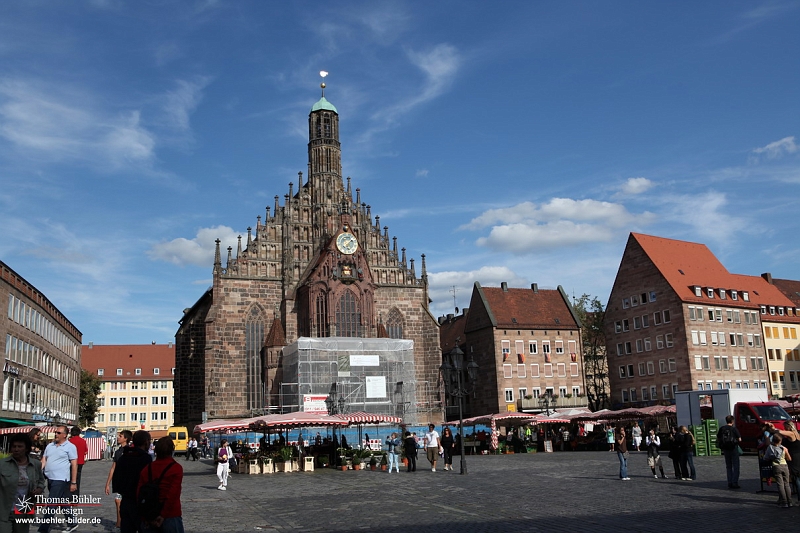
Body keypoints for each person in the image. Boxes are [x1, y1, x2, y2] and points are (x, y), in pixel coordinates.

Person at [0, 433, 45, 533]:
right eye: (14, 446)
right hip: (4, 510)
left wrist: (39, 489)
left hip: (23, 510)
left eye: (20, 446)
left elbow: (41, 481)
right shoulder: (2, 464)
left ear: (26, 448)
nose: (16, 449)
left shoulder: (35, 464)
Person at [138, 436, 184, 533]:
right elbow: (173, 494)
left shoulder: (147, 469)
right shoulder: (176, 468)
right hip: (170, 514)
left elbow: (139, 492)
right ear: (172, 450)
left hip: (149, 514)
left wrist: (144, 516)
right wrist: (163, 515)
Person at [38, 424, 79, 533]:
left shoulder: (70, 447)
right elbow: (44, 460)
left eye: (58, 433)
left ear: (65, 435)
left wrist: (73, 482)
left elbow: (74, 464)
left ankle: (43, 529)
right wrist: (38, 471)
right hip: (49, 478)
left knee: (51, 503)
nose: (56, 434)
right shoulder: (50, 446)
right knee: (62, 501)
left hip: (60, 479)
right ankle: (72, 522)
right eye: (56, 432)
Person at [112, 430, 152, 533]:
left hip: (126, 500)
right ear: (146, 442)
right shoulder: (146, 458)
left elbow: (117, 478)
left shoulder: (124, 456)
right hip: (140, 502)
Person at [106, 430, 133, 530]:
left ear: (126, 438)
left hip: (128, 482)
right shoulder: (117, 452)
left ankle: (122, 524)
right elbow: (113, 467)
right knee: (118, 501)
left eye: (120, 436)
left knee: (122, 502)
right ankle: (119, 523)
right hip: (120, 482)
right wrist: (107, 483)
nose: (118, 437)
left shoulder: (131, 451)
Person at [764, 433, 792, 508]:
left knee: (780, 484)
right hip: (784, 466)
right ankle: (790, 501)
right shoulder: (784, 448)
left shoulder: (770, 448)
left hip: (776, 466)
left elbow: (766, 458)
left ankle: (784, 502)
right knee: (787, 484)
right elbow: (789, 458)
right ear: (780, 441)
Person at [775, 420, 800, 502]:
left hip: (794, 458)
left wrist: (773, 428)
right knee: (797, 477)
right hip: (797, 456)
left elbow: (779, 432)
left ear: (789, 427)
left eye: (785, 427)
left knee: (797, 478)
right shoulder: (797, 434)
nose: (784, 428)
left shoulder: (792, 433)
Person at [716, 415, 742, 489]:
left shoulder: (722, 428)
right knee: (736, 465)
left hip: (725, 448)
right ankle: (735, 482)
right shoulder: (734, 429)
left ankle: (729, 482)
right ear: (732, 421)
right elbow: (739, 439)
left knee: (728, 466)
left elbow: (718, 438)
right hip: (733, 448)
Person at [68, 426, 88, 495]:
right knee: (78, 479)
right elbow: (85, 451)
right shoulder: (83, 441)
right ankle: (76, 496)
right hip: (80, 462)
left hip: (71, 462)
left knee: (71, 479)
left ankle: (70, 495)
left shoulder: (70, 441)